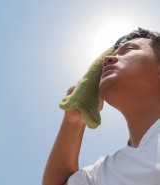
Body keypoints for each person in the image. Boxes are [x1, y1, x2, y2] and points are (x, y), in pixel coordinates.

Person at [42, 28, 160, 185]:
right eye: (112, 55)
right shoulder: (107, 171)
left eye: (129, 50)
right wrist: (74, 119)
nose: (108, 59)